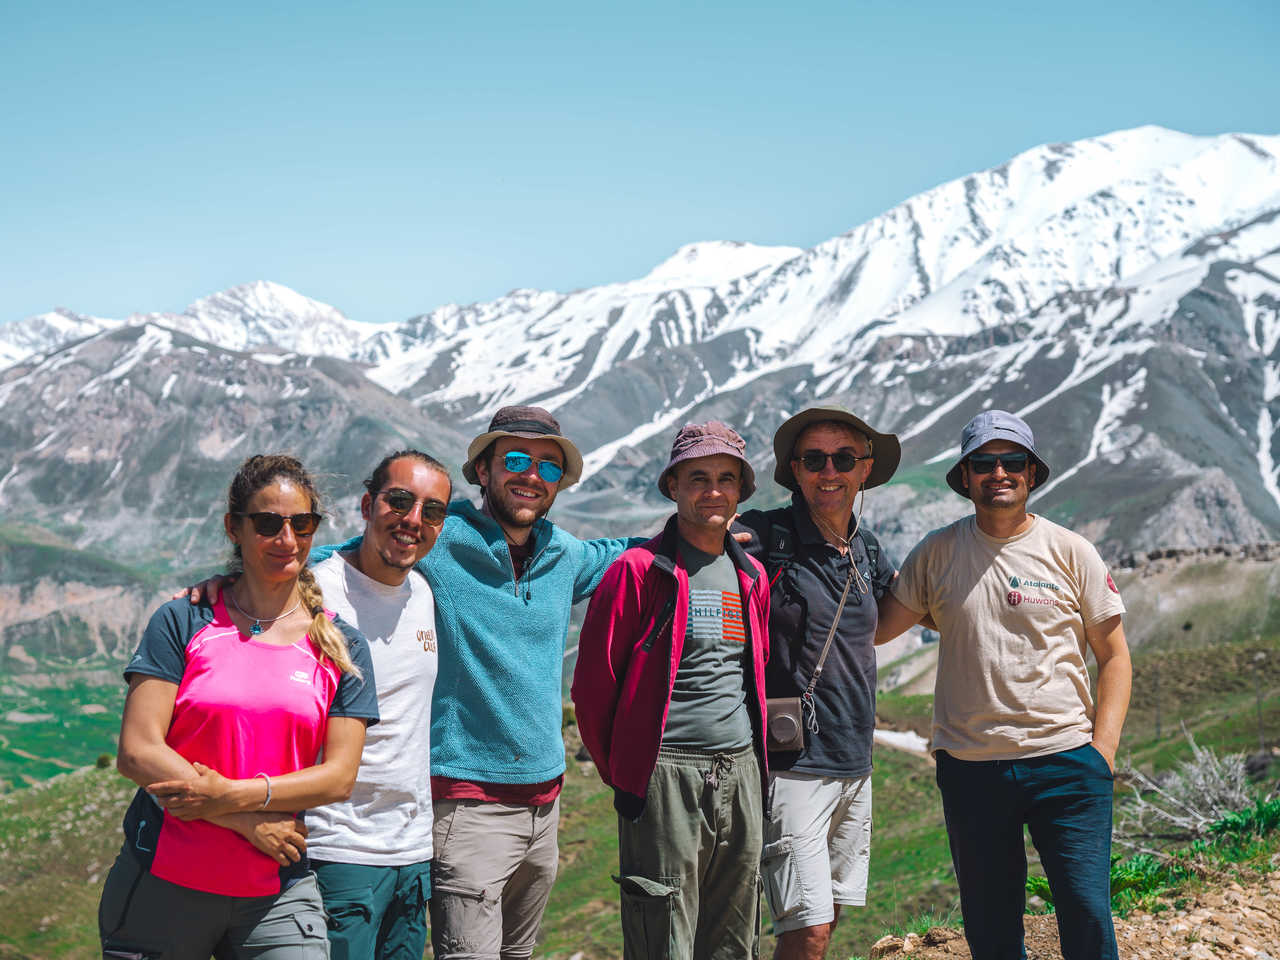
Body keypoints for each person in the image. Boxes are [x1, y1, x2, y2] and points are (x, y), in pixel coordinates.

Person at [313, 406, 642, 960]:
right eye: (514, 459)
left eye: (548, 467)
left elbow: (625, 554)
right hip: (466, 805)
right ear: (483, 471)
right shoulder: (439, 535)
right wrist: (238, 583)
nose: (531, 475)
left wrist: (703, 530)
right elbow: (344, 556)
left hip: (545, 806)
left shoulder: (564, 552)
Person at [99, 454, 379, 960]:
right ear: (235, 528)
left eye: (303, 524)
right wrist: (245, 819)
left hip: (276, 891)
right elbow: (137, 751)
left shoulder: (343, 646)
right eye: (268, 523)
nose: (287, 540)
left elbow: (338, 778)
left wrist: (227, 794)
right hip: (163, 880)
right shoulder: (183, 620)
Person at [875, 410, 1131, 960]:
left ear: (1031, 473)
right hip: (971, 770)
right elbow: (878, 627)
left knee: (1086, 914)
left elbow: (1114, 655)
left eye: (1012, 461)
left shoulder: (1071, 551)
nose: (999, 473)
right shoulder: (937, 552)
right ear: (965, 476)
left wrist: (1102, 752)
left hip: (1067, 763)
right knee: (991, 928)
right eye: (983, 463)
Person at [572, 421, 771, 960]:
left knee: (735, 931)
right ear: (674, 486)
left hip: (741, 770)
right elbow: (593, 692)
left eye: (726, 478)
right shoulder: (638, 571)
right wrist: (630, 775)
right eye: (698, 477)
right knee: (663, 933)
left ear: (741, 490)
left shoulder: (751, 574)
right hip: (665, 773)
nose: (713, 490)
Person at [734, 406, 900, 960]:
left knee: (825, 919)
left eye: (843, 458)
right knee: (804, 927)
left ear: (864, 469)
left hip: (856, 760)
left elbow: (894, 615)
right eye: (814, 459)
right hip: (794, 763)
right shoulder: (764, 535)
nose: (829, 471)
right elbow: (700, 544)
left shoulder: (868, 549)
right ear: (796, 471)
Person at [305, 450, 451, 960]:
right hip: (336, 848)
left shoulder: (423, 594)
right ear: (368, 504)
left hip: (411, 854)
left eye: (431, 511)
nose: (413, 520)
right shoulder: (312, 595)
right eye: (400, 501)